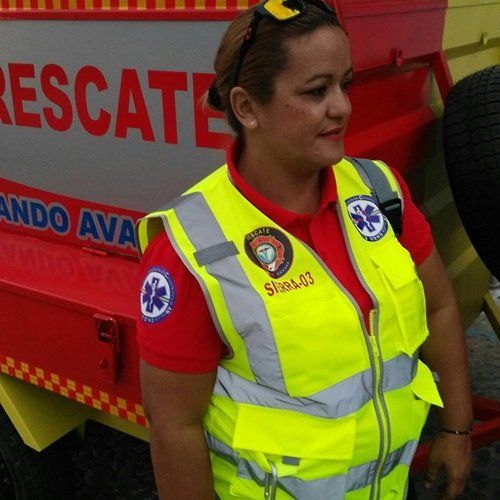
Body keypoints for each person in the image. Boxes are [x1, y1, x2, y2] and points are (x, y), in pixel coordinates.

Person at [136, 0, 473, 498]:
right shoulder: (194, 246)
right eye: (316, 91)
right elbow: (174, 430)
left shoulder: (378, 191)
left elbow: (439, 307)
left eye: (345, 84)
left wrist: (457, 428)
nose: (342, 107)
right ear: (246, 108)